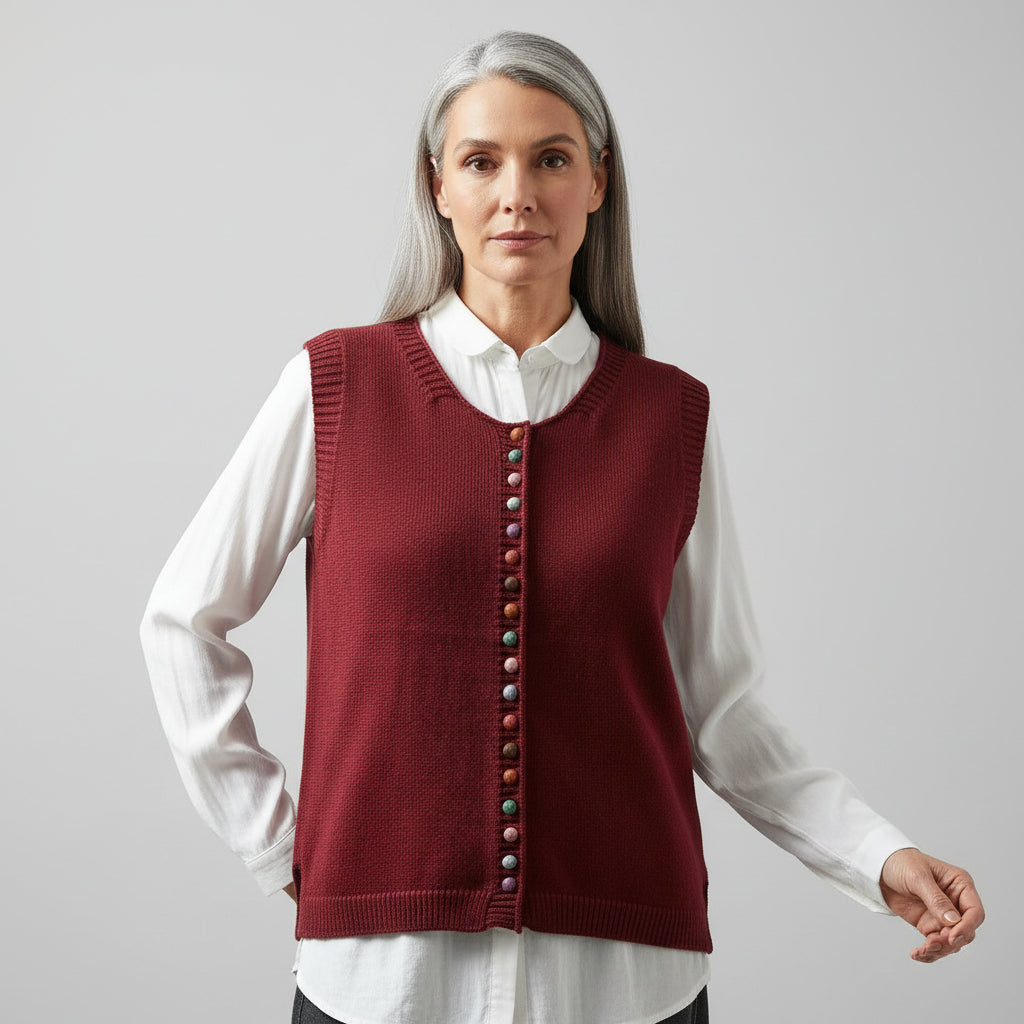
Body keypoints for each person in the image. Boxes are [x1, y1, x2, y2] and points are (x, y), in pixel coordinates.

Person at [138, 29, 984, 1024]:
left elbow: (722, 709)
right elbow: (182, 622)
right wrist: (282, 846)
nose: (517, 195)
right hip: (384, 983)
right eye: (480, 161)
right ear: (437, 186)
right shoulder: (336, 386)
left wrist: (877, 855)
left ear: (597, 182)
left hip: (625, 984)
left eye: (550, 158)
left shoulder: (670, 418)